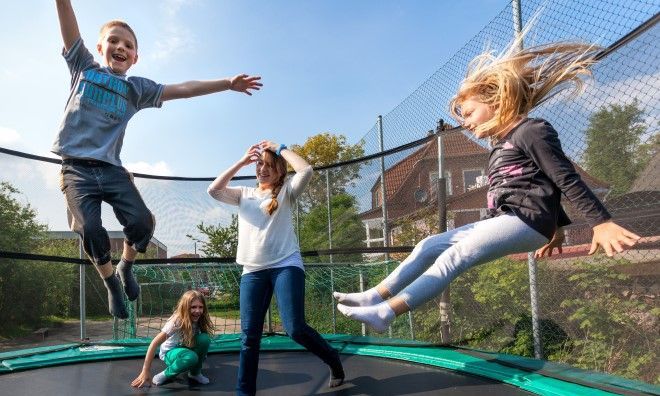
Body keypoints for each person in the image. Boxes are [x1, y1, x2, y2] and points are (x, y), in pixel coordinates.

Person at [333, 42, 641, 332]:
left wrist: (600, 222)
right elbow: (545, 186)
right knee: (428, 246)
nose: (465, 123)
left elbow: (564, 177)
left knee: (456, 255)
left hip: (525, 221)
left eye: (468, 113)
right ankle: (374, 296)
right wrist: (558, 229)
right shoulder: (499, 147)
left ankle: (386, 313)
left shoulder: (532, 131)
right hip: (513, 221)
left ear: (498, 101)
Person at [53, 0, 262, 319]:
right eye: (114, 41)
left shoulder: (135, 89)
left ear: (135, 57)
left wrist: (226, 84)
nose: (120, 47)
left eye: (128, 45)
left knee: (142, 223)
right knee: (92, 230)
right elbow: (69, 25)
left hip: (111, 170)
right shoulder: (84, 66)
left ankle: (126, 267)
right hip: (76, 171)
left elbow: (185, 89)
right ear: (100, 47)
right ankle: (111, 284)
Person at [208, 141, 344, 396]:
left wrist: (281, 148)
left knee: (294, 328)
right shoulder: (243, 194)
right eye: (260, 164)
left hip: (285, 265)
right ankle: (244, 392)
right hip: (253, 270)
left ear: (280, 170)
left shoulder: (287, 192)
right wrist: (241, 161)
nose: (263, 169)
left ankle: (332, 359)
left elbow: (306, 170)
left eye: (269, 166)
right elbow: (214, 191)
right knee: (249, 337)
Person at [131, 290, 214, 387]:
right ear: (185, 307)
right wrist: (145, 370)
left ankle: (195, 373)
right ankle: (166, 374)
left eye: (201, 307)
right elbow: (154, 344)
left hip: (185, 346)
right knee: (191, 357)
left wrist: (201, 353)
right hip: (170, 352)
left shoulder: (200, 318)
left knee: (204, 339)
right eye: (193, 307)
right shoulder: (176, 321)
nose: (198, 311)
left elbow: (201, 342)